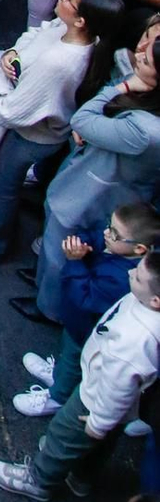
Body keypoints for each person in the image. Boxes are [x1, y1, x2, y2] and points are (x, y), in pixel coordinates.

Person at [0, 0, 123, 261]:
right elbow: (37, 33)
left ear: (82, 20)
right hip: (48, 129)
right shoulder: (74, 32)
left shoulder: (58, 63)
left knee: (0, 186)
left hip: (31, 135)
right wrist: (13, 54)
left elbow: (9, 112)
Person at [0, 248, 160, 502]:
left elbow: (118, 387)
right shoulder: (146, 306)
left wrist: (98, 421)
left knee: (62, 434)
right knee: (101, 444)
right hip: (115, 403)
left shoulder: (137, 339)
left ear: (156, 300)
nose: (130, 271)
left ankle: (39, 479)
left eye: (138, 276)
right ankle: (80, 477)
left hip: (96, 398)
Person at [23, 27, 160, 324]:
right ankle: (42, 282)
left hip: (94, 194)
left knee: (65, 248)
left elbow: (83, 119)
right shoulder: (146, 95)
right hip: (93, 178)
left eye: (147, 61)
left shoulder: (147, 130)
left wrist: (122, 89)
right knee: (57, 246)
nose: (138, 55)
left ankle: (49, 308)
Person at [15, 203, 160, 418]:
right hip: (77, 323)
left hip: (87, 329)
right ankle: (57, 374)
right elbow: (96, 235)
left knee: (75, 361)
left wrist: (76, 261)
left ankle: (57, 397)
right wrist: (81, 243)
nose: (105, 232)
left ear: (139, 249)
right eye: (109, 224)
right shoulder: (118, 245)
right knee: (68, 353)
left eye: (113, 232)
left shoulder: (123, 278)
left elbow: (84, 298)